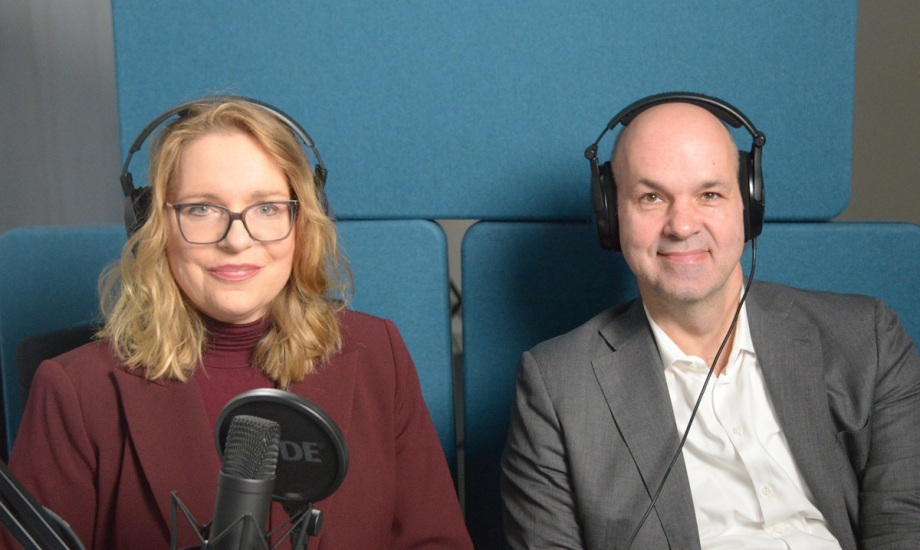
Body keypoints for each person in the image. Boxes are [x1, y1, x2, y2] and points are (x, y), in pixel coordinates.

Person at [6, 98, 473, 549]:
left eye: (266, 208)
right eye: (202, 209)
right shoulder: (76, 391)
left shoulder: (378, 354)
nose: (236, 240)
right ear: (155, 225)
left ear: (302, 220)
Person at [500, 94, 920, 549]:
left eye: (710, 194)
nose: (682, 225)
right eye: (651, 197)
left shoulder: (867, 339)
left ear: (749, 204)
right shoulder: (558, 387)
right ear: (610, 216)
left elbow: (905, 522)